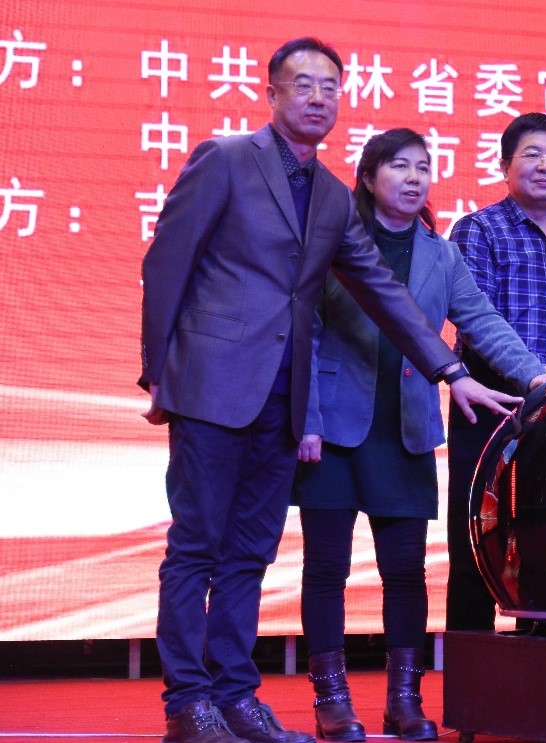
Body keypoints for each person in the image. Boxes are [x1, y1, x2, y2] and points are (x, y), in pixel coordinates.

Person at [139, 38, 518, 743]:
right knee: (197, 547)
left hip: (284, 396)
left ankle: (236, 696)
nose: (318, 97)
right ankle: (188, 703)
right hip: (211, 383)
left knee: (251, 552)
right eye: (303, 84)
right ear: (272, 93)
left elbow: (382, 290)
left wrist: (451, 370)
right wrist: (156, 369)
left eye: (330, 87)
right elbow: (167, 260)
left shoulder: (333, 196)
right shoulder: (225, 159)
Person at [293, 129, 546, 742]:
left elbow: (482, 320)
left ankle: (404, 701)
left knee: (406, 573)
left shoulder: (441, 254)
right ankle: (332, 703)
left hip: (406, 428)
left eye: (422, 168)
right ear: (367, 178)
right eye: (398, 167)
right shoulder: (335, 241)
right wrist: (305, 418)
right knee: (326, 568)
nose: (413, 179)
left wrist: (534, 373)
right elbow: (305, 331)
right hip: (332, 427)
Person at [445, 113, 546, 631]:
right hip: (491, 406)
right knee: (476, 540)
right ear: (505, 165)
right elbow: (475, 320)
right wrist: (532, 374)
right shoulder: (478, 230)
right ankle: (469, 663)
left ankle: (542, 658)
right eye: (532, 154)